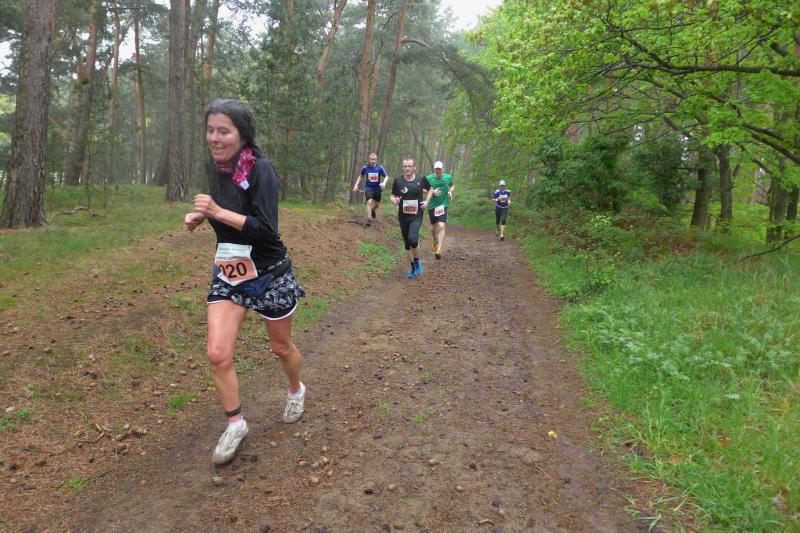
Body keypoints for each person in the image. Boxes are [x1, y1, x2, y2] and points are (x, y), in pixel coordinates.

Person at [184, 98, 307, 465]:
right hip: (230, 271)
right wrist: (202, 216)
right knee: (217, 353)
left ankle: (296, 389)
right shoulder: (215, 167)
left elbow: (266, 229)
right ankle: (235, 424)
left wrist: (217, 211)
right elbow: (225, 210)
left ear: (242, 135)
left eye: (224, 131)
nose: (215, 138)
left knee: (281, 348)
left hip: (269, 272)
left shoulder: (261, 169)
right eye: (210, 130)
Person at [391, 158, 430, 278]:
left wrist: (427, 201)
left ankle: (417, 262)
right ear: (403, 167)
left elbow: (431, 189)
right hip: (403, 216)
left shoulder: (421, 179)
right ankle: (413, 267)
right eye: (405, 166)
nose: (407, 168)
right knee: (407, 244)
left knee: (413, 239)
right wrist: (394, 200)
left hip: (416, 215)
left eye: (409, 166)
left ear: (414, 167)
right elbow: (392, 195)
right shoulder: (398, 181)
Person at [423, 161, 454, 259]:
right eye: (436, 169)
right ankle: (434, 240)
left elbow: (453, 185)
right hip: (432, 205)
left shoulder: (448, 177)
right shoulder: (429, 178)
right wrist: (431, 191)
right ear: (434, 169)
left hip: (443, 204)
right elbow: (422, 188)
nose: (438, 171)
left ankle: (439, 250)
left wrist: (450, 191)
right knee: (433, 228)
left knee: (441, 225)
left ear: (442, 169)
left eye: (439, 169)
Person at [352, 152, 388, 226]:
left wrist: (384, 183)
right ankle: (369, 219)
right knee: (369, 201)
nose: (373, 161)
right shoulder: (365, 168)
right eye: (372, 159)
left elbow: (386, 176)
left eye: (375, 160)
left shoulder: (380, 167)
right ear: (369, 159)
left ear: (376, 160)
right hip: (368, 188)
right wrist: (356, 185)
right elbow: (360, 176)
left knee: (377, 204)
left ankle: (373, 210)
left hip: (377, 189)